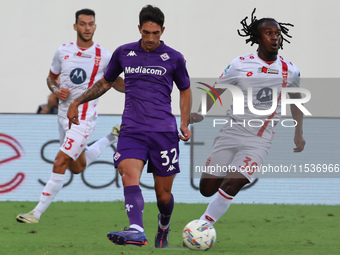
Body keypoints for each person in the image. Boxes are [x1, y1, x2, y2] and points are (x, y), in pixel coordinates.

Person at [67, 5, 191, 248]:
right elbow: (106, 82)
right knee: (127, 173)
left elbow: (185, 88)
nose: (151, 39)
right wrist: (77, 101)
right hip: (132, 129)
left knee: (163, 196)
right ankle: (136, 229)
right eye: (146, 33)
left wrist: (184, 122)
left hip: (163, 132)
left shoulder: (174, 57)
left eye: (156, 33)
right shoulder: (124, 53)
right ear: (139, 29)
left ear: (162, 30)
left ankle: (163, 224)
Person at [193, 9, 305, 226]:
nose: (275, 37)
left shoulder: (290, 70)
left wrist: (298, 131)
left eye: (278, 33)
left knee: (232, 184)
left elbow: (296, 99)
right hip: (231, 132)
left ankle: (202, 226)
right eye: (269, 33)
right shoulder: (240, 64)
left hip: (259, 139)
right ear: (257, 37)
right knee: (207, 190)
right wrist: (200, 112)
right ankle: (204, 221)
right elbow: (217, 89)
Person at [16, 8, 123, 224]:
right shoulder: (62, 51)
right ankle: (111, 138)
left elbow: (115, 81)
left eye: (90, 24)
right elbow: (50, 78)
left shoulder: (105, 55)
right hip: (63, 116)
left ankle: (35, 213)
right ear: (75, 26)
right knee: (77, 167)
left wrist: (141, 88)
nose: (87, 28)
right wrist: (56, 91)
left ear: (95, 26)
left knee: (60, 160)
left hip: (84, 118)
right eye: (82, 24)